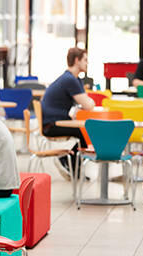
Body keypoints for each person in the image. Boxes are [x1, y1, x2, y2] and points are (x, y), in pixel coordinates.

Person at [39, 47, 95, 180]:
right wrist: (90, 101)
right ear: (77, 60)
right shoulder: (70, 80)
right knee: (86, 133)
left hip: (53, 121)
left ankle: (71, 164)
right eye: (85, 60)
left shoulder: (72, 79)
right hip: (51, 125)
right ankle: (70, 165)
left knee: (85, 133)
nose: (87, 63)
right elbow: (88, 105)